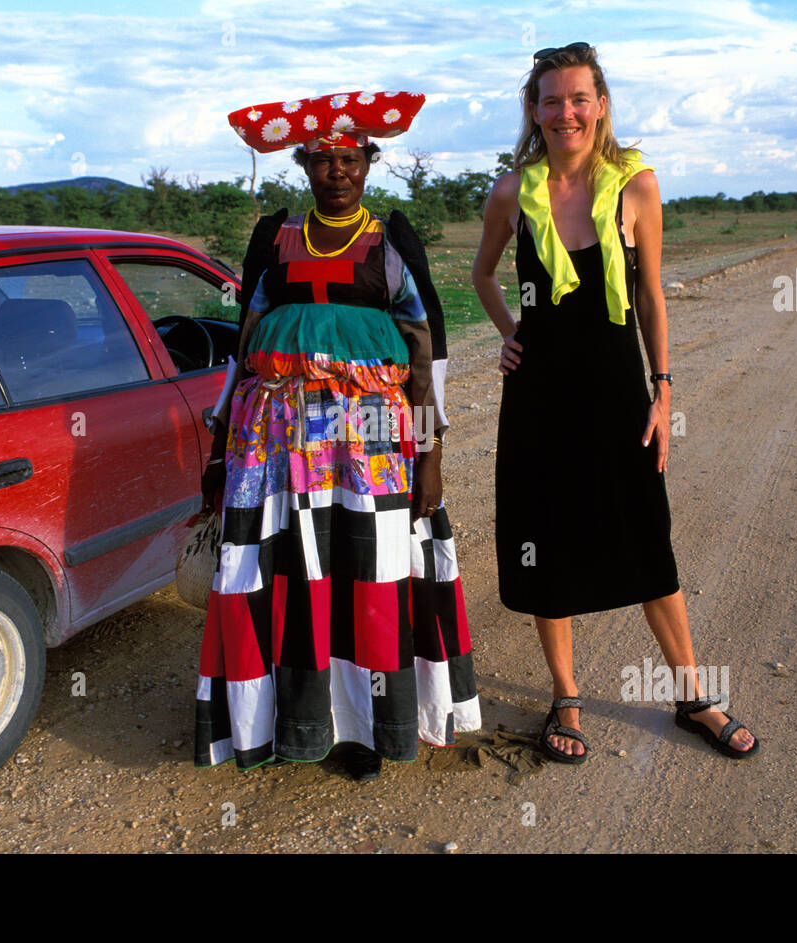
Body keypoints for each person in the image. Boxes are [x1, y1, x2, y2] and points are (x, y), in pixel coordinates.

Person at [472, 44, 758, 762]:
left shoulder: (636, 185)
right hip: (537, 396)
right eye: (550, 100)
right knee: (545, 539)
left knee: (645, 533)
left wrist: (662, 391)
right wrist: (509, 333)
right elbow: (482, 274)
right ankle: (565, 695)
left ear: (600, 104)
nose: (564, 112)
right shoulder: (512, 191)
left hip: (616, 390)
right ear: (533, 112)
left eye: (578, 98)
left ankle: (693, 693)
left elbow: (653, 297)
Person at [194, 90, 481, 781]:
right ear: (304, 166)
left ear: (368, 163)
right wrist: (217, 445)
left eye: (349, 159)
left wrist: (430, 455)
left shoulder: (388, 245)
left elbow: (422, 356)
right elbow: (247, 344)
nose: (337, 173)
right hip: (274, 453)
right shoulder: (276, 240)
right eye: (323, 161)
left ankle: (365, 730)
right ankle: (289, 725)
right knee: (286, 576)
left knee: (368, 578)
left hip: (372, 451)